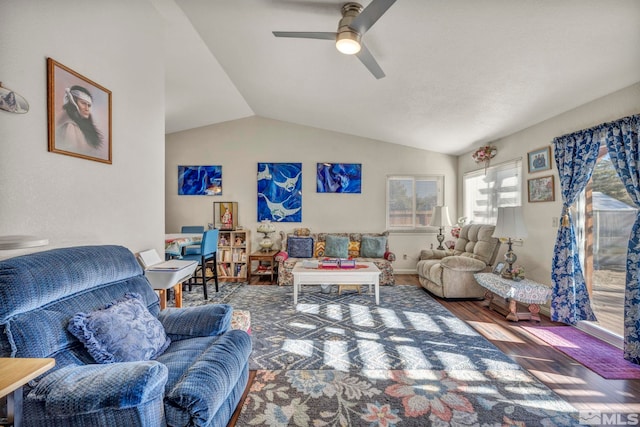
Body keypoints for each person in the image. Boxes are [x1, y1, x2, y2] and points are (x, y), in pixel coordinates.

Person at [55, 85, 103, 155]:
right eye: (83, 103)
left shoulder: (82, 128)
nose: (87, 108)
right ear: (73, 103)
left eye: (89, 105)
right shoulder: (70, 126)